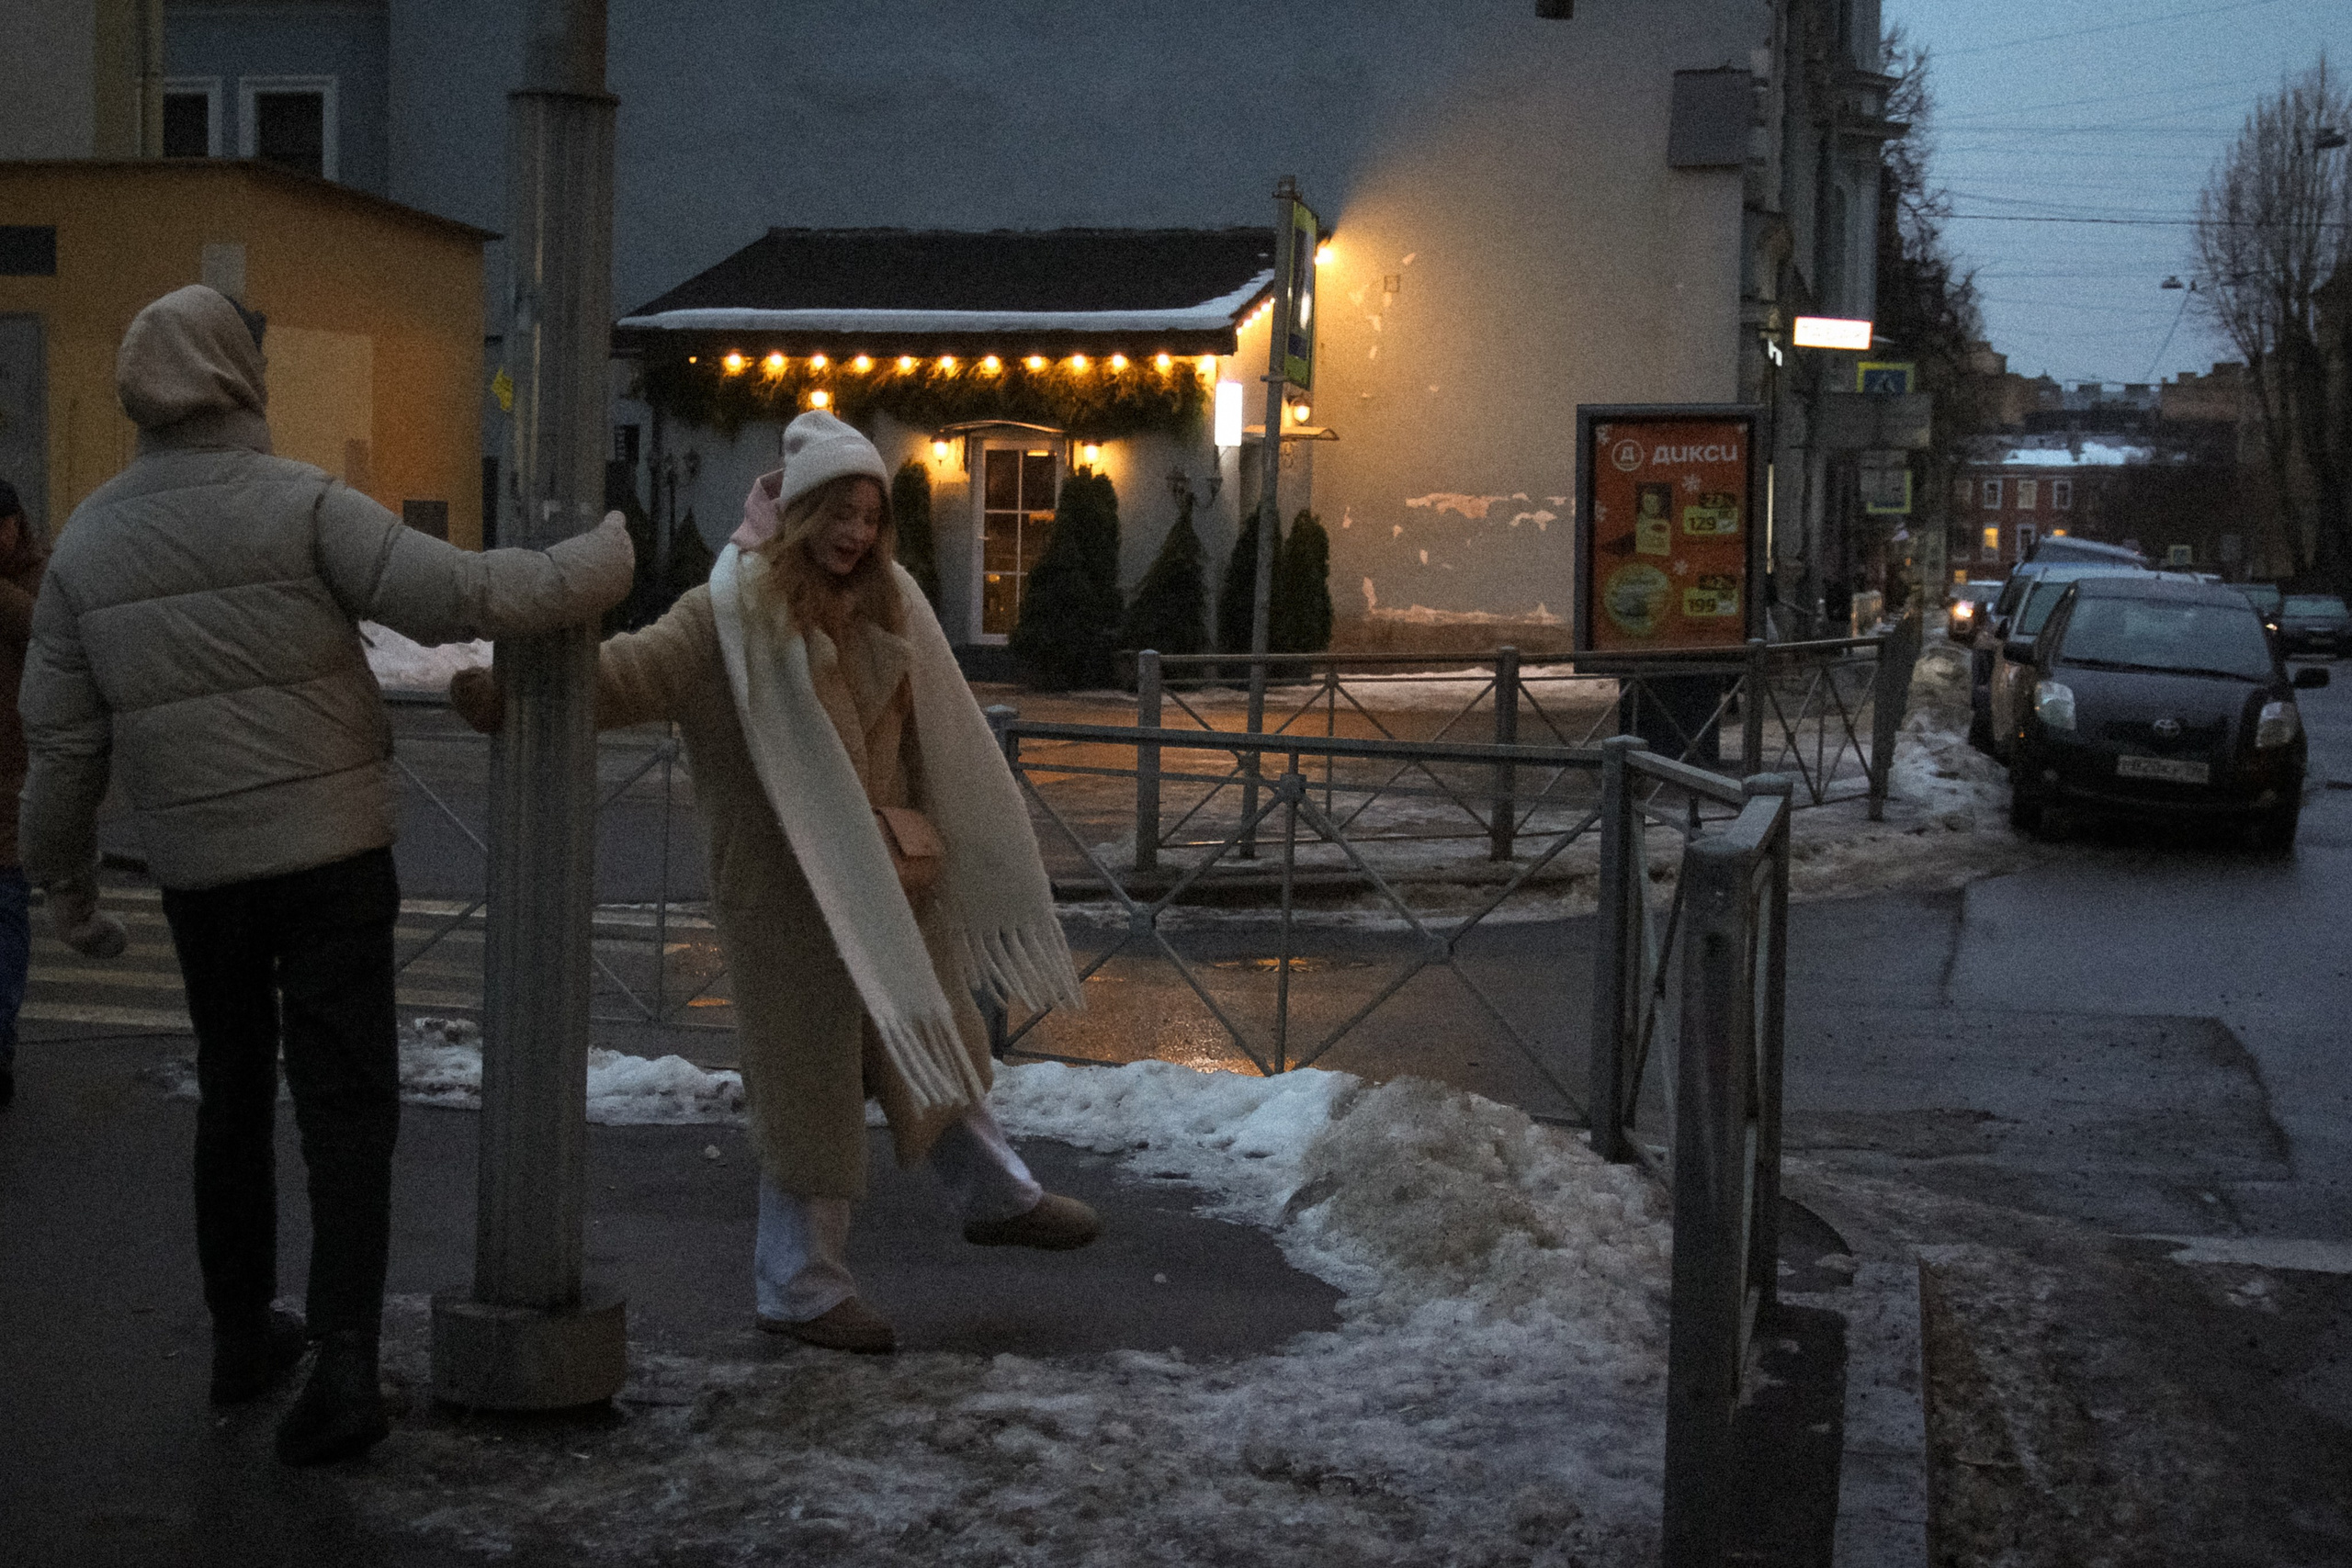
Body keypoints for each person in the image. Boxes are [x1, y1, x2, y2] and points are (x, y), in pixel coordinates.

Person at [17, 284, 635, 1463]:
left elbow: (62, 745)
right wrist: (599, 560)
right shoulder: (298, 505)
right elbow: (463, 595)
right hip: (334, 857)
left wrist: (68, 887)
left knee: (234, 1099)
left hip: (204, 873)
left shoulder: (88, 539)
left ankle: (242, 1334)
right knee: (348, 1109)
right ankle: (346, 1359)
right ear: (235, 381)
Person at [453, 411, 1097, 1354]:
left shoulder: (891, 605)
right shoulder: (726, 617)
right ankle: (798, 1287)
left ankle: (997, 1195)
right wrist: (510, 695)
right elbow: (624, 678)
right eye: (839, 511)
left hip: (886, 883)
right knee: (811, 1091)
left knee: (933, 1042)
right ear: (797, 513)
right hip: (791, 903)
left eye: (871, 515)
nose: (856, 533)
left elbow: (925, 741)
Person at [0, 477, 48, 1109]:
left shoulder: (41, 577)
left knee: (6, 909)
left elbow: (49, 634)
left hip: (14, 773)